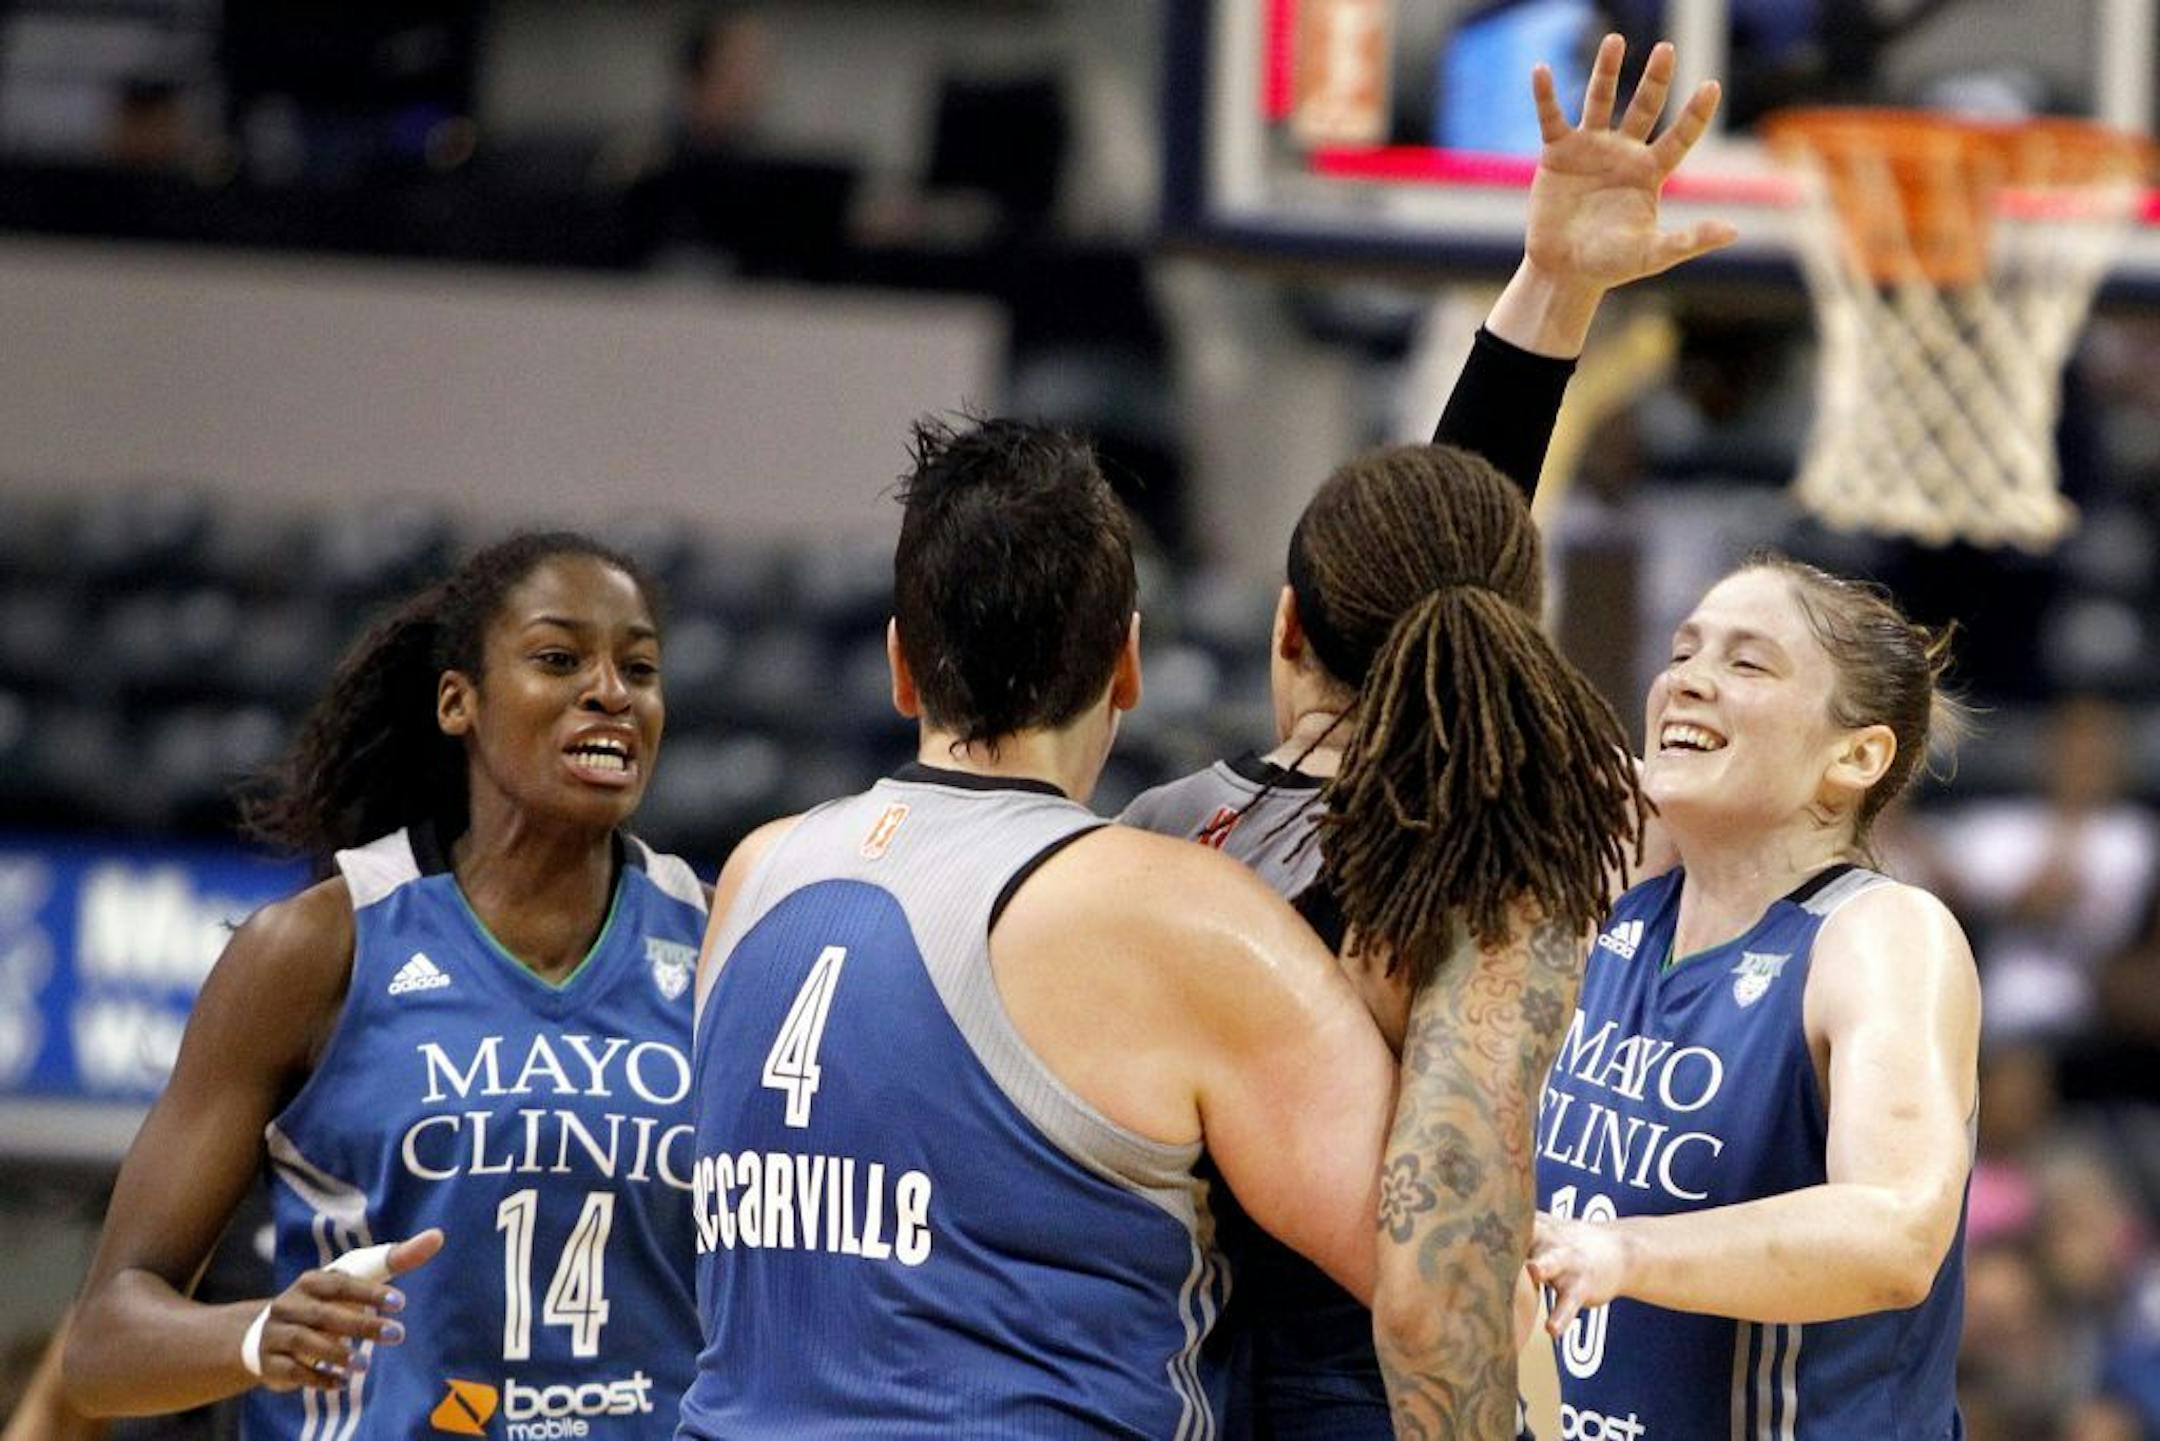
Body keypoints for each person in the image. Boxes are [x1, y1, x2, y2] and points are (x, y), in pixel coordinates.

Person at [678, 377, 1641, 1436]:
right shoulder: (1181, 913)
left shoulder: (753, 880)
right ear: (1129, 662)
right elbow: (1448, 1297)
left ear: (901, 665)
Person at [1119, 34, 1725, 1438]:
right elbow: (1431, 1292)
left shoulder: (1150, 845)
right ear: (1512, 636)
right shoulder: (1482, 861)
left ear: (1285, 628)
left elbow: (1441, 565)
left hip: (1143, 1379)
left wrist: (1551, 290)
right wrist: (1556, 288)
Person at [63, 533, 709, 1438]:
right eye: (560, 659)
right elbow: (100, 1347)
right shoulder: (316, 948)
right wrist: (256, 1332)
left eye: (638, 668)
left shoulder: (723, 944)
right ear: (460, 702)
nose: (611, 691)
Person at [1527, 555, 1981, 1437]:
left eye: (1746, 663)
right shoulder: (1621, 903)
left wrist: (1622, 1252)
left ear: (1856, 754)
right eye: (1684, 651)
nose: (1689, 682)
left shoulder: (1880, 934)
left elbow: (1895, 1233)